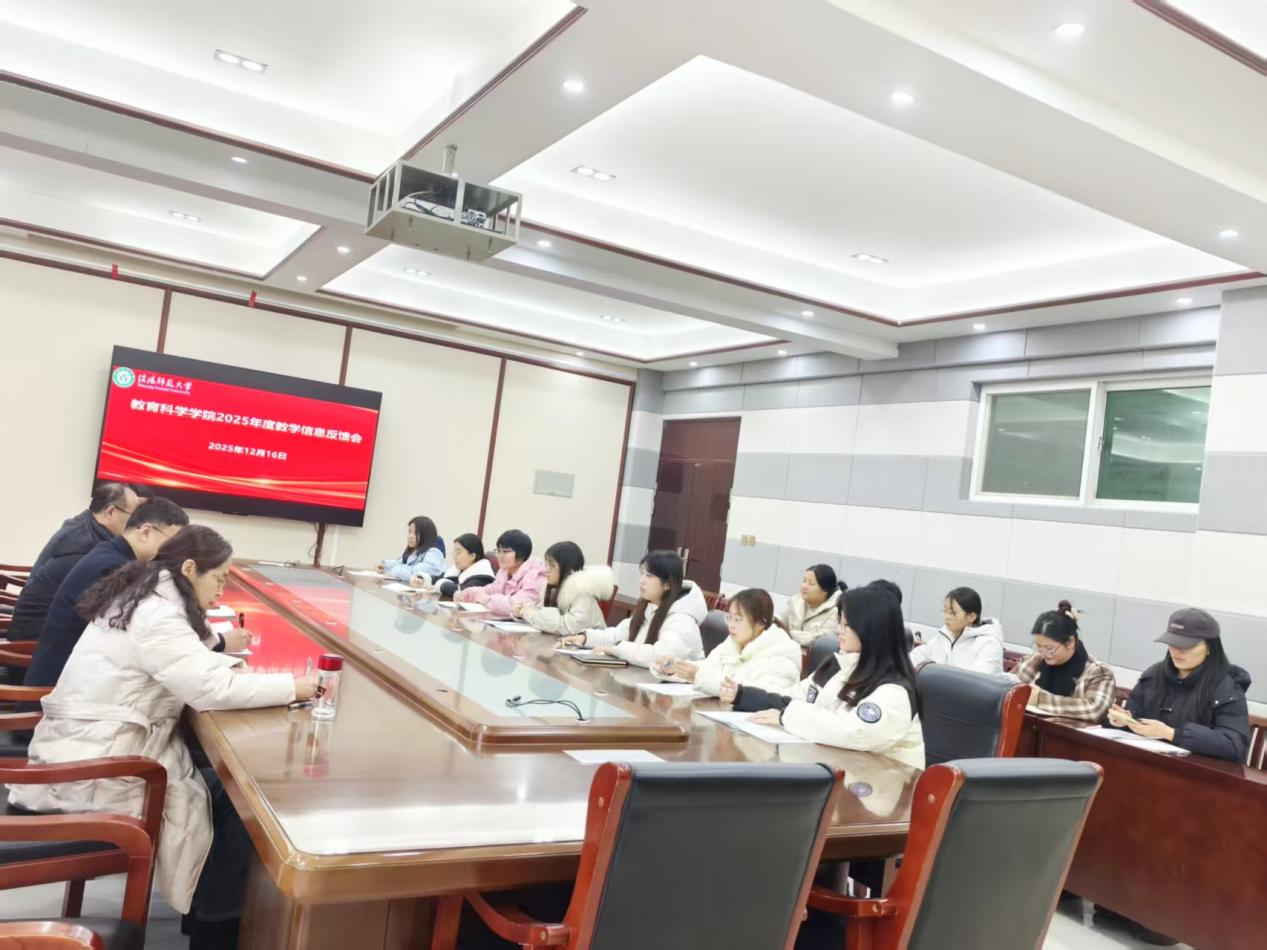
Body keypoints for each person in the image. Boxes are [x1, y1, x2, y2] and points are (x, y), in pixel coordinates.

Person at [9, 525, 316, 948]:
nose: (222, 590)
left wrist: (225, 660)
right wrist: (296, 687)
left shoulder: (150, 594)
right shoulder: (157, 612)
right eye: (219, 578)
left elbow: (186, 656)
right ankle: (214, 933)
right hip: (98, 770)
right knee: (238, 798)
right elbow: (210, 689)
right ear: (189, 569)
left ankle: (205, 918)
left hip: (91, 746)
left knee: (221, 781)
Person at [724, 585, 924, 769]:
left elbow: (852, 731)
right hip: (833, 768)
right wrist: (744, 696)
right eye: (840, 623)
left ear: (871, 630)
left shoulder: (893, 689)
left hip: (880, 785)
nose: (839, 631)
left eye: (846, 625)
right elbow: (795, 698)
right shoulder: (837, 665)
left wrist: (787, 716)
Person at [23, 497, 204, 691]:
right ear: (146, 532)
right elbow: (146, 630)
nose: (174, 552)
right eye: (172, 542)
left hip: (66, 677)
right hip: (56, 690)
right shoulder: (116, 568)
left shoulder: (109, 552)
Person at [1108, 608, 1252, 762]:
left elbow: (1234, 744)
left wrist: (1171, 734)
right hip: (1147, 763)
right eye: (1172, 643)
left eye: (1186, 646)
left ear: (1210, 647)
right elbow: (1134, 716)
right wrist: (1124, 721)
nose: (1176, 652)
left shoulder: (1227, 686)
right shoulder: (1154, 675)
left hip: (1197, 771)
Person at [7, 482, 141, 639]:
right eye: (133, 517)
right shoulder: (88, 546)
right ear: (111, 512)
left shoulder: (82, 525)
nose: (137, 525)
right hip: (35, 637)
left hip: (34, 624)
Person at [560, 550, 705, 668]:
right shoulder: (649, 606)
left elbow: (661, 656)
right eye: (642, 573)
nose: (641, 581)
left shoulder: (682, 619)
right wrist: (584, 638)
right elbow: (617, 635)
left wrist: (615, 649)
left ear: (667, 584)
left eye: (649, 575)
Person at [656, 587, 801, 698]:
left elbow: (762, 695)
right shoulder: (732, 642)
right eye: (729, 618)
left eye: (737, 619)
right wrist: (676, 667)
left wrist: (698, 676)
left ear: (760, 623)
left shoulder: (782, 654)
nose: (731, 625)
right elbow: (707, 667)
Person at [1012, 601, 1116, 723]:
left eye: (1049, 648)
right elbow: (1008, 686)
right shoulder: (1035, 659)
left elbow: (1094, 710)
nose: (1043, 653)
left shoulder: (1098, 672)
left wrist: (1040, 699)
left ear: (1070, 642)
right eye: (1038, 646)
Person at [514, 541, 613, 635]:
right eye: (546, 564)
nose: (546, 569)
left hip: (589, 646)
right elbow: (542, 618)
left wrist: (529, 614)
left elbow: (568, 628)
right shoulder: (550, 588)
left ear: (567, 568)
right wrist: (522, 612)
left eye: (552, 565)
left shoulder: (583, 592)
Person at [908, 586, 1004, 675]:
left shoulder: (989, 644)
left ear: (971, 617)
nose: (946, 617)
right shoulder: (945, 635)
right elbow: (916, 657)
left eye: (952, 613)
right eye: (944, 611)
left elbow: (979, 681)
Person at [455, 529, 547, 618]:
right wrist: (467, 594)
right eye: (498, 551)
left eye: (505, 551)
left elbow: (517, 604)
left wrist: (487, 600)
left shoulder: (535, 576)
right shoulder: (504, 572)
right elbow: (489, 589)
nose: (500, 556)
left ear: (521, 553)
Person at [778, 564, 847, 648]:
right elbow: (779, 620)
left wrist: (789, 634)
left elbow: (822, 640)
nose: (804, 586)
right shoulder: (796, 601)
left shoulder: (836, 611)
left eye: (811, 584)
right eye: (804, 581)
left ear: (825, 590)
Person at [381, 516, 445, 585]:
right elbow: (400, 562)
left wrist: (394, 570)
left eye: (416, 533)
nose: (410, 536)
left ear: (426, 535)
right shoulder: (415, 550)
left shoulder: (434, 553)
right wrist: (384, 566)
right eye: (409, 532)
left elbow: (414, 573)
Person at [434, 534, 495, 600]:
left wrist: (442, 586)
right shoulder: (460, 569)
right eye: (453, 552)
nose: (454, 557)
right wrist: (426, 579)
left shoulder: (482, 577)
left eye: (458, 552)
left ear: (472, 556)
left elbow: (465, 590)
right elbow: (440, 578)